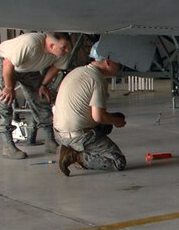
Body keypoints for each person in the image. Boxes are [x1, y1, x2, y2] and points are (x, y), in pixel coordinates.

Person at [0, 31, 72, 159]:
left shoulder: (62, 51)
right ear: (51, 46)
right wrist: (9, 87)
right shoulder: (30, 44)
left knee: (41, 97)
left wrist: (43, 86)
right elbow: (8, 64)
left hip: (26, 67)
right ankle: (8, 145)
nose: (67, 50)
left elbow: (57, 67)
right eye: (63, 48)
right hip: (4, 62)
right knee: (5, 99)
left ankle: (50, 141)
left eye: (68, 47)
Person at [54, 41, 127, 176]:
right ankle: (76, 156)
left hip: (59, 132)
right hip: (77, 135)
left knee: (107, 124)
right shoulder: (97, 80)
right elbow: (98, 117)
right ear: (108, 62)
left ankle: (71, 147)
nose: (120, 67)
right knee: (118, 162)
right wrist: (116, 121)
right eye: (119, 63)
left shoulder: (78, 71)